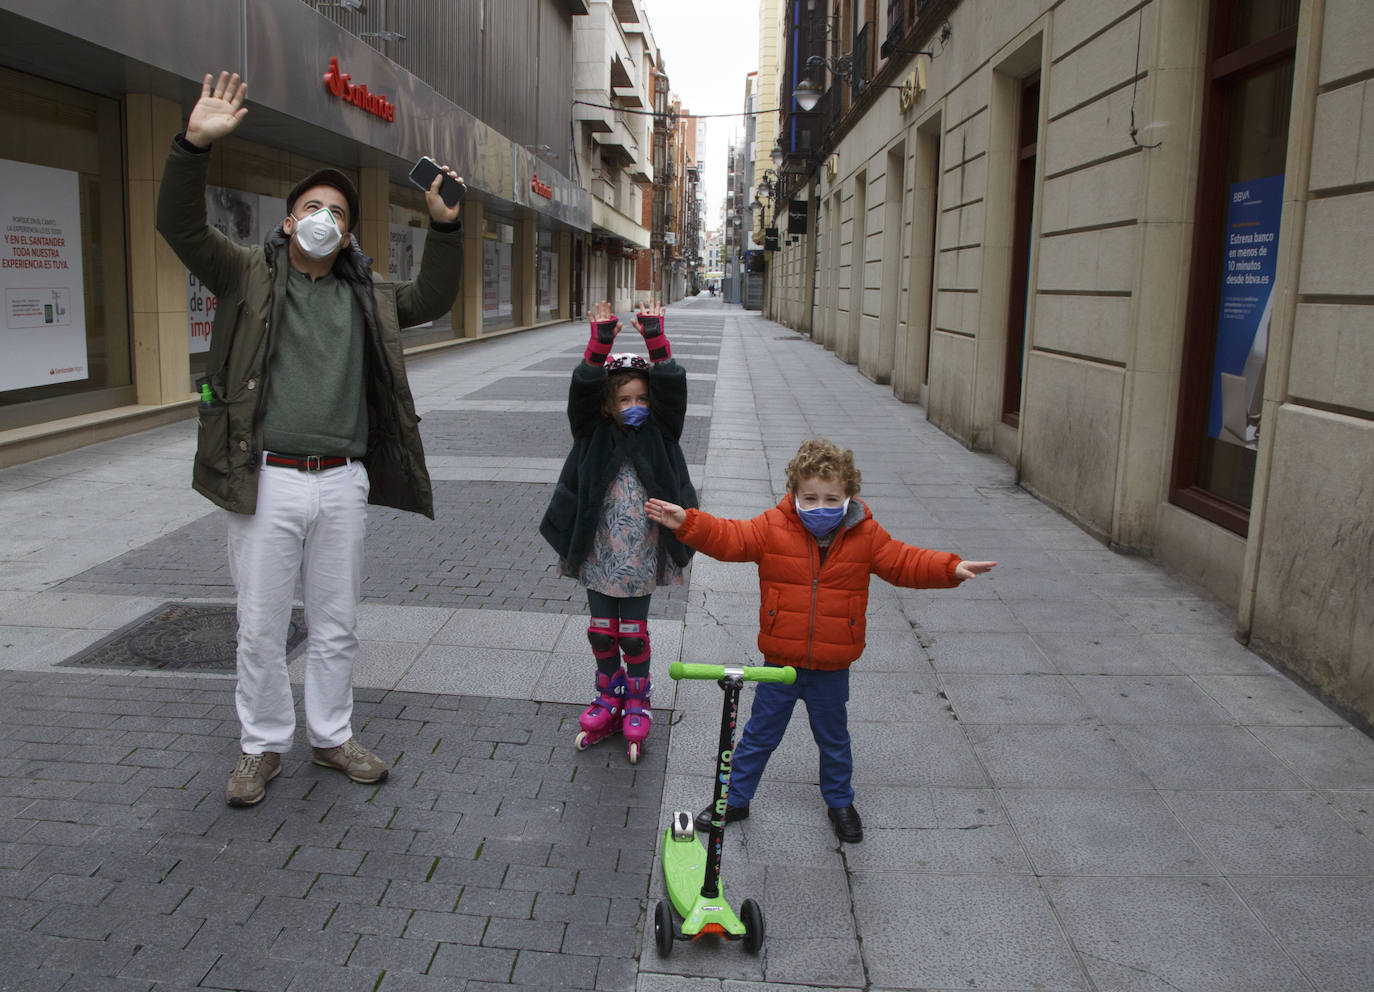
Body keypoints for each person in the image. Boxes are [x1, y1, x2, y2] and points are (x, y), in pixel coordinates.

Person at [156, 71, 465, 807]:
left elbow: (432, 297)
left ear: (349, 234)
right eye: (311, 207)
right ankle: (261, 746)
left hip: (341, 482)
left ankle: (331, 736)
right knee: (260, 627)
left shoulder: (368, 295)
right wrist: (192, 145)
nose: (324, 216)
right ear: (289, 223)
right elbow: (182, 228)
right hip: (267, 480)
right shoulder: (247, 276)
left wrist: (446, 226)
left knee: (336, 624)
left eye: (337, 211)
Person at [646, 438, 996, 842]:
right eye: (809, 498)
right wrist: (688, 522)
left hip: (832, 665)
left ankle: (840, 802)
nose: (820, 508)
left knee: (833, 739)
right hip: (781, 665)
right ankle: (734, 800)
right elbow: (732, 538)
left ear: (849, 495)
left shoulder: (865, 534)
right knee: (759, 735)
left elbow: (903, 562)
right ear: (794, 494)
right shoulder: (774, 526)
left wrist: (950, 568)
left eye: (832, 499)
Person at [539, 300, 698, 763]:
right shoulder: (591, 430)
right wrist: (599, 343)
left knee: (633, 630)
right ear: (608, 404)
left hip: (642, 550)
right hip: (596, 548)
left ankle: (638, 699)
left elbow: (673, 389)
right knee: (601, 630)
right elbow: (582, 390)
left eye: (641, 399)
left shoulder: (661, 431)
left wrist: (656, 341)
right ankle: (607, 694)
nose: (634, 407)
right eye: (624, 399)